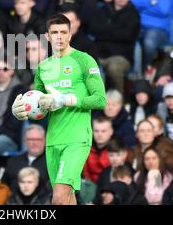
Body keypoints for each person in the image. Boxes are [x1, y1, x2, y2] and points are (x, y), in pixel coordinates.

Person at [12, 13, 106, 205]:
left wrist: (67, 99)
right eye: (54, 32)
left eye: (63, 32)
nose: (59, 37)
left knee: (59, 198)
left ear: (70, 35)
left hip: (77, 138)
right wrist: (19, 111)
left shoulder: (84, 60)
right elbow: (39, 107)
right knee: (67, 198)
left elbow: (100, 100)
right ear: (47, 36)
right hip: (53, 140)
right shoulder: (43, 67)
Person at [89, 0, 141, 94]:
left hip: (121, 56)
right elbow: (93, 28)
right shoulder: (102, 10)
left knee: (114, 68)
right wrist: (117, 28)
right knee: (88, 66)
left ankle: (118, 99)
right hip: (99, 53)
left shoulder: (134, 14)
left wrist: (105, 29)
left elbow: (127, 35)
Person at [1, 124, 49, 191]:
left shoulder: (51, 163)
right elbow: (3, 187)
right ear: (25, 141)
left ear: (45, 141)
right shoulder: (13, 162)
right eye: (31, 139)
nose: (34, 143)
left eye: (38, 139)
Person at [95, 138, 133, 203]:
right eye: (111, 155)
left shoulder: (131, 171)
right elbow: (98, 195)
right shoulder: (104, 172)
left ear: (125, 154)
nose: (114, 158)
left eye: (118, 155)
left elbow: (134, 193)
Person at [83, 117, 113, 183]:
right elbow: (86, 173)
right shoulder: (86, 148)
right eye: (96, 131)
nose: (99, 134)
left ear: (111, 131)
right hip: (90, 187)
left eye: (103, 131)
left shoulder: (117, 149)